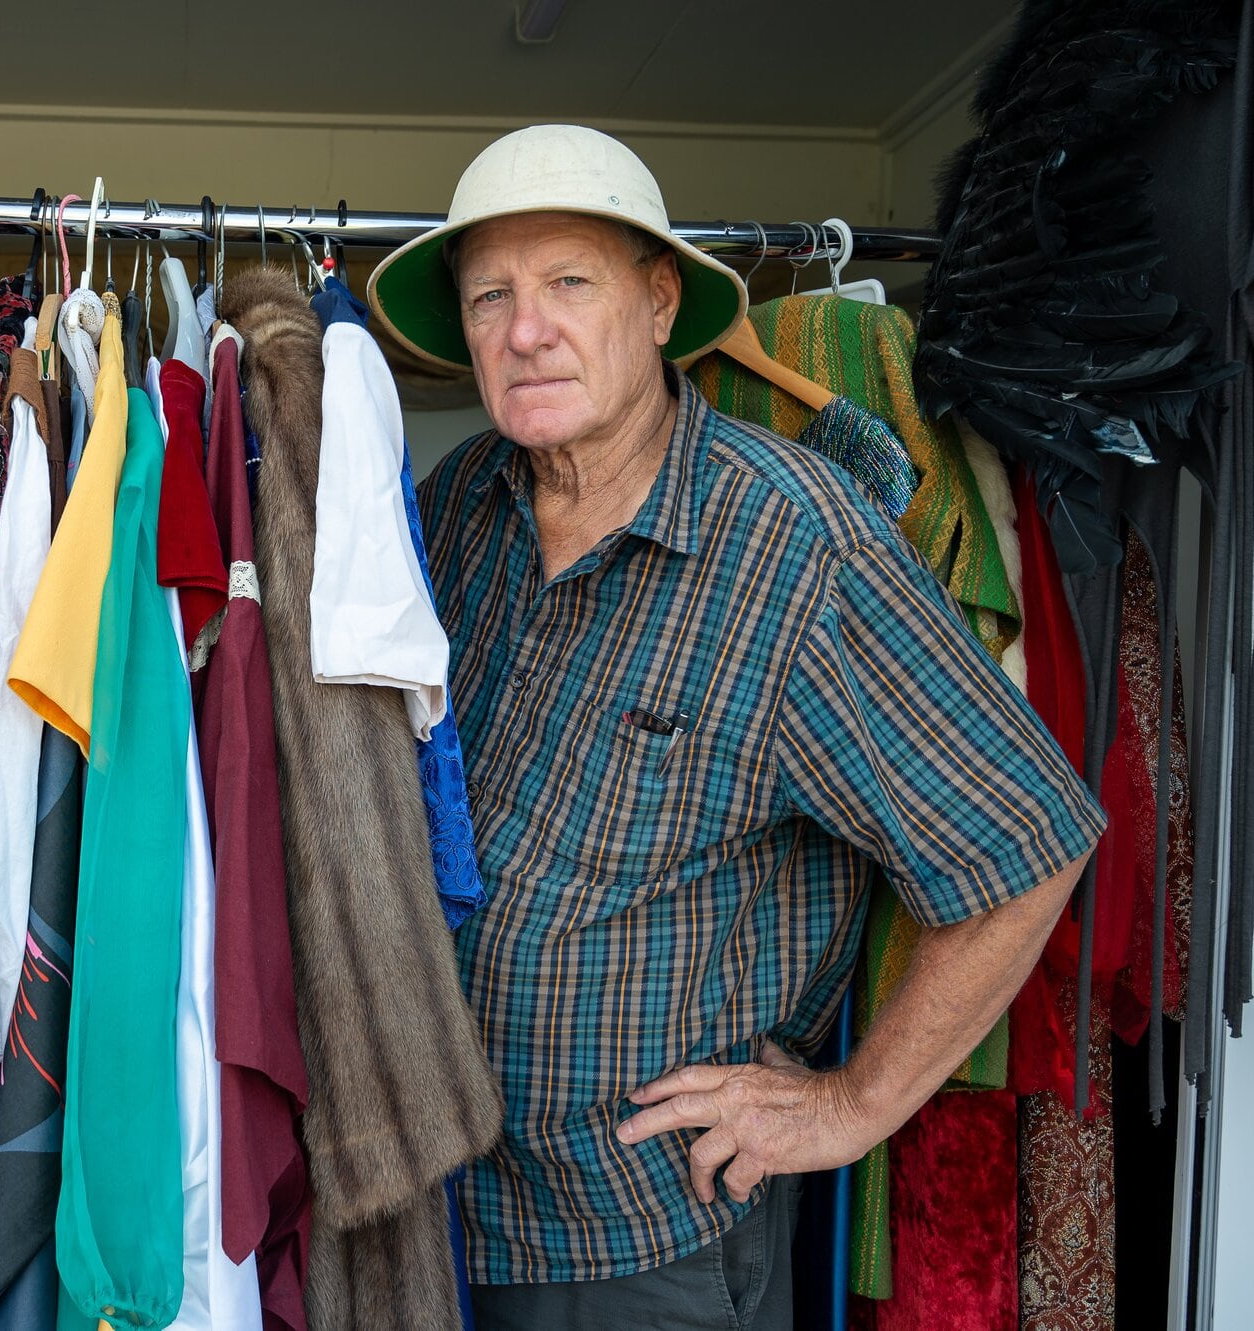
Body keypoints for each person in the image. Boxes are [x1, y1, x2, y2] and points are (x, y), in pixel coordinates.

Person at [369, 124, 1106, 1330]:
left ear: (659, 303)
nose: (523, 329)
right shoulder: (455, 507)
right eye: (488, 294)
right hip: (442, 1210)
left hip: (642, 1241)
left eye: (568, 282)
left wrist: (847, 1106)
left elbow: (1028, 840)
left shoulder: (794, 542)